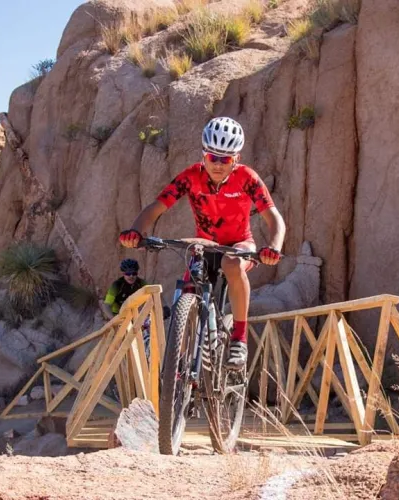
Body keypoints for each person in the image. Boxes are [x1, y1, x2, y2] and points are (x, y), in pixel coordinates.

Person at [119, 116, 286, 369]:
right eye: (212, 158)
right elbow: (156, 207)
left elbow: (275, 218)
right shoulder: (190, 177)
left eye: (226, 159)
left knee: (232, 264)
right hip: (204, 243)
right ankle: (180, 368)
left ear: (236, 159)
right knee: (187, 285)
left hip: (240, 244)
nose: (218, 165)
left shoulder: (247, 178)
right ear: (203, 155)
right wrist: (136, 232)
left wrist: (273, 247)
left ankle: (239, 339)